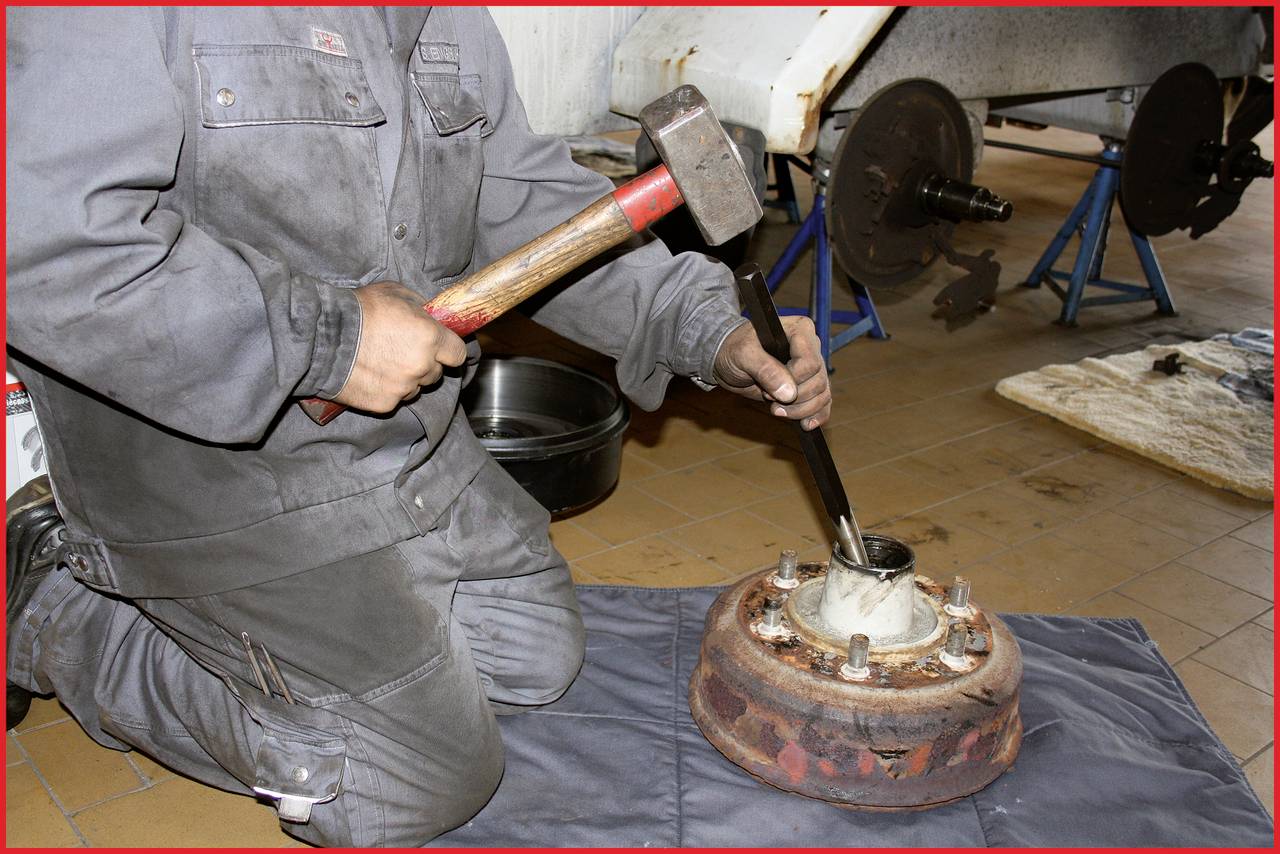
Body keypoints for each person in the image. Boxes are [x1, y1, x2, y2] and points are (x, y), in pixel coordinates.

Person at [5, 8, 831, 846]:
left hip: (406, 451)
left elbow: (525, 202)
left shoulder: (450, 21)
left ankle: (364, 613)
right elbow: (39, 240)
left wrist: (708, 328)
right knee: (410, 786)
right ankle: (47, 598)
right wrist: (327, 340)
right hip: (210, 475)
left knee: (537, 661)